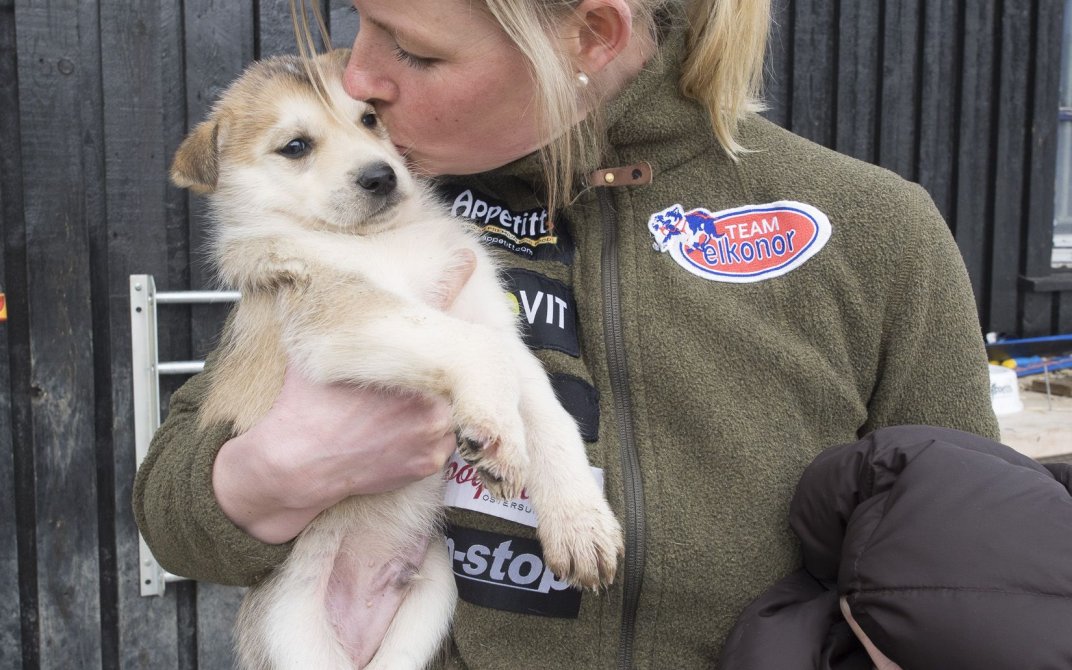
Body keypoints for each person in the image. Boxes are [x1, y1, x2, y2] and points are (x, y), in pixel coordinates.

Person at [133, 0, 1001, 667]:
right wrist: (267, 476)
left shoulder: (871, 229)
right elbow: (170, 511)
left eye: (415, 48)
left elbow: (973, 567)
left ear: (589, 36)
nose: (356, 79)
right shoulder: (370, 217)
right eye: (361, 21)